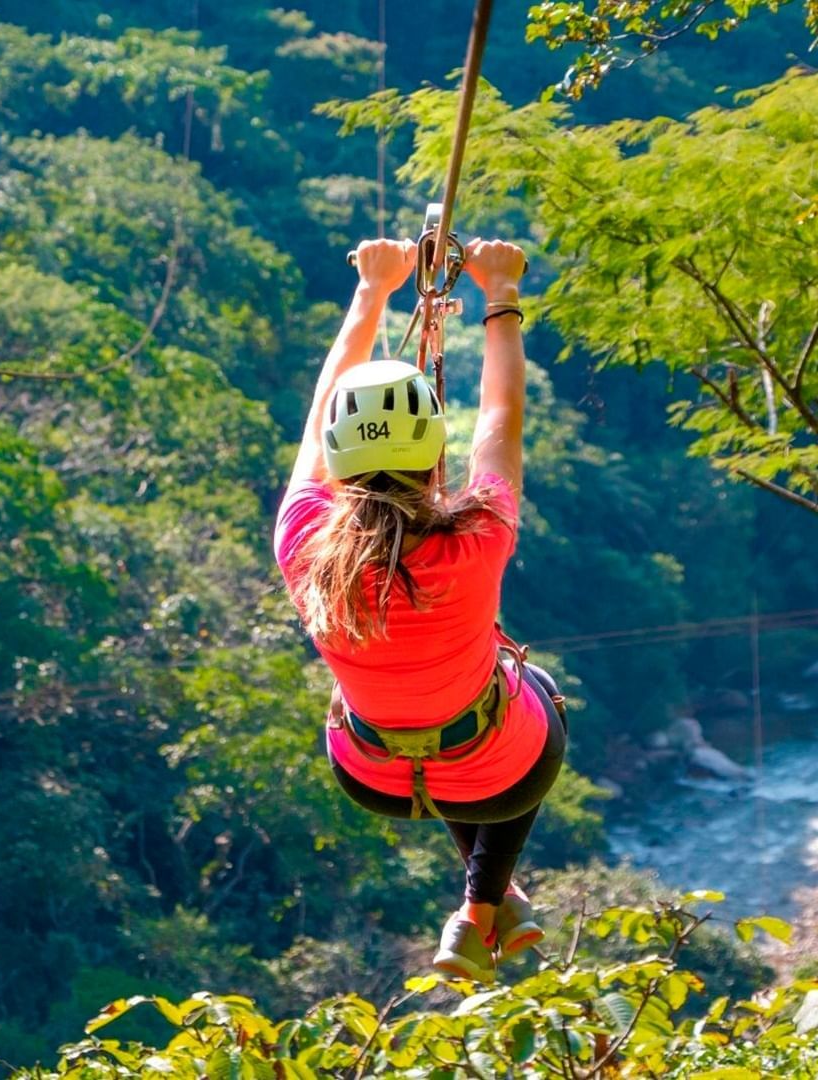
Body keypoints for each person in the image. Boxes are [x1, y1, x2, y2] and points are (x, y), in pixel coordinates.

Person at [273, 237, 568, 983]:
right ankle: (479, 908)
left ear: (340, 457)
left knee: (432, 730)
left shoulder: (303, 540)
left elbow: (319, 415)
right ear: (435, 452)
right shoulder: (476, 533)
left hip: (372, 774)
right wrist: (498, 290)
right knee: (530, 701)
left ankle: (499, 906)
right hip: (501, 772)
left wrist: (373, 290)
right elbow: (499, 418)